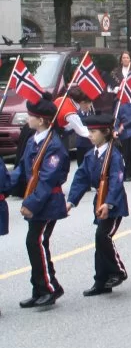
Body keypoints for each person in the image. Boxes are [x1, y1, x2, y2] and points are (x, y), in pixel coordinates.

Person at [9, 95, 70, 308]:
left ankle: (49, 288)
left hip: (47, 203)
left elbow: (47, 180)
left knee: (36, 242)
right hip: (36, 198)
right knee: (36, 243)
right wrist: (5, 184)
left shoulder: (54, 145)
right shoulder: (33, 140)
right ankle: (41, 287)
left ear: (42, 120)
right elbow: (21, 170)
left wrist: (31, 204)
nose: (28, 118)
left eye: (31, 116)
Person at [66, 114, 130, 296]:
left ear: (106, 132)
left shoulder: (114, 155)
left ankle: (117, 271)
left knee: (103, 236)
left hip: (113, 204)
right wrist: (71, 201)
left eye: (93, 132)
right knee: (99, 240)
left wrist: (109, 204)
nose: (90, 135)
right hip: (99, 201)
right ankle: (101, 280)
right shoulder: (90, 155)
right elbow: (81, 178)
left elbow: (117, 182)